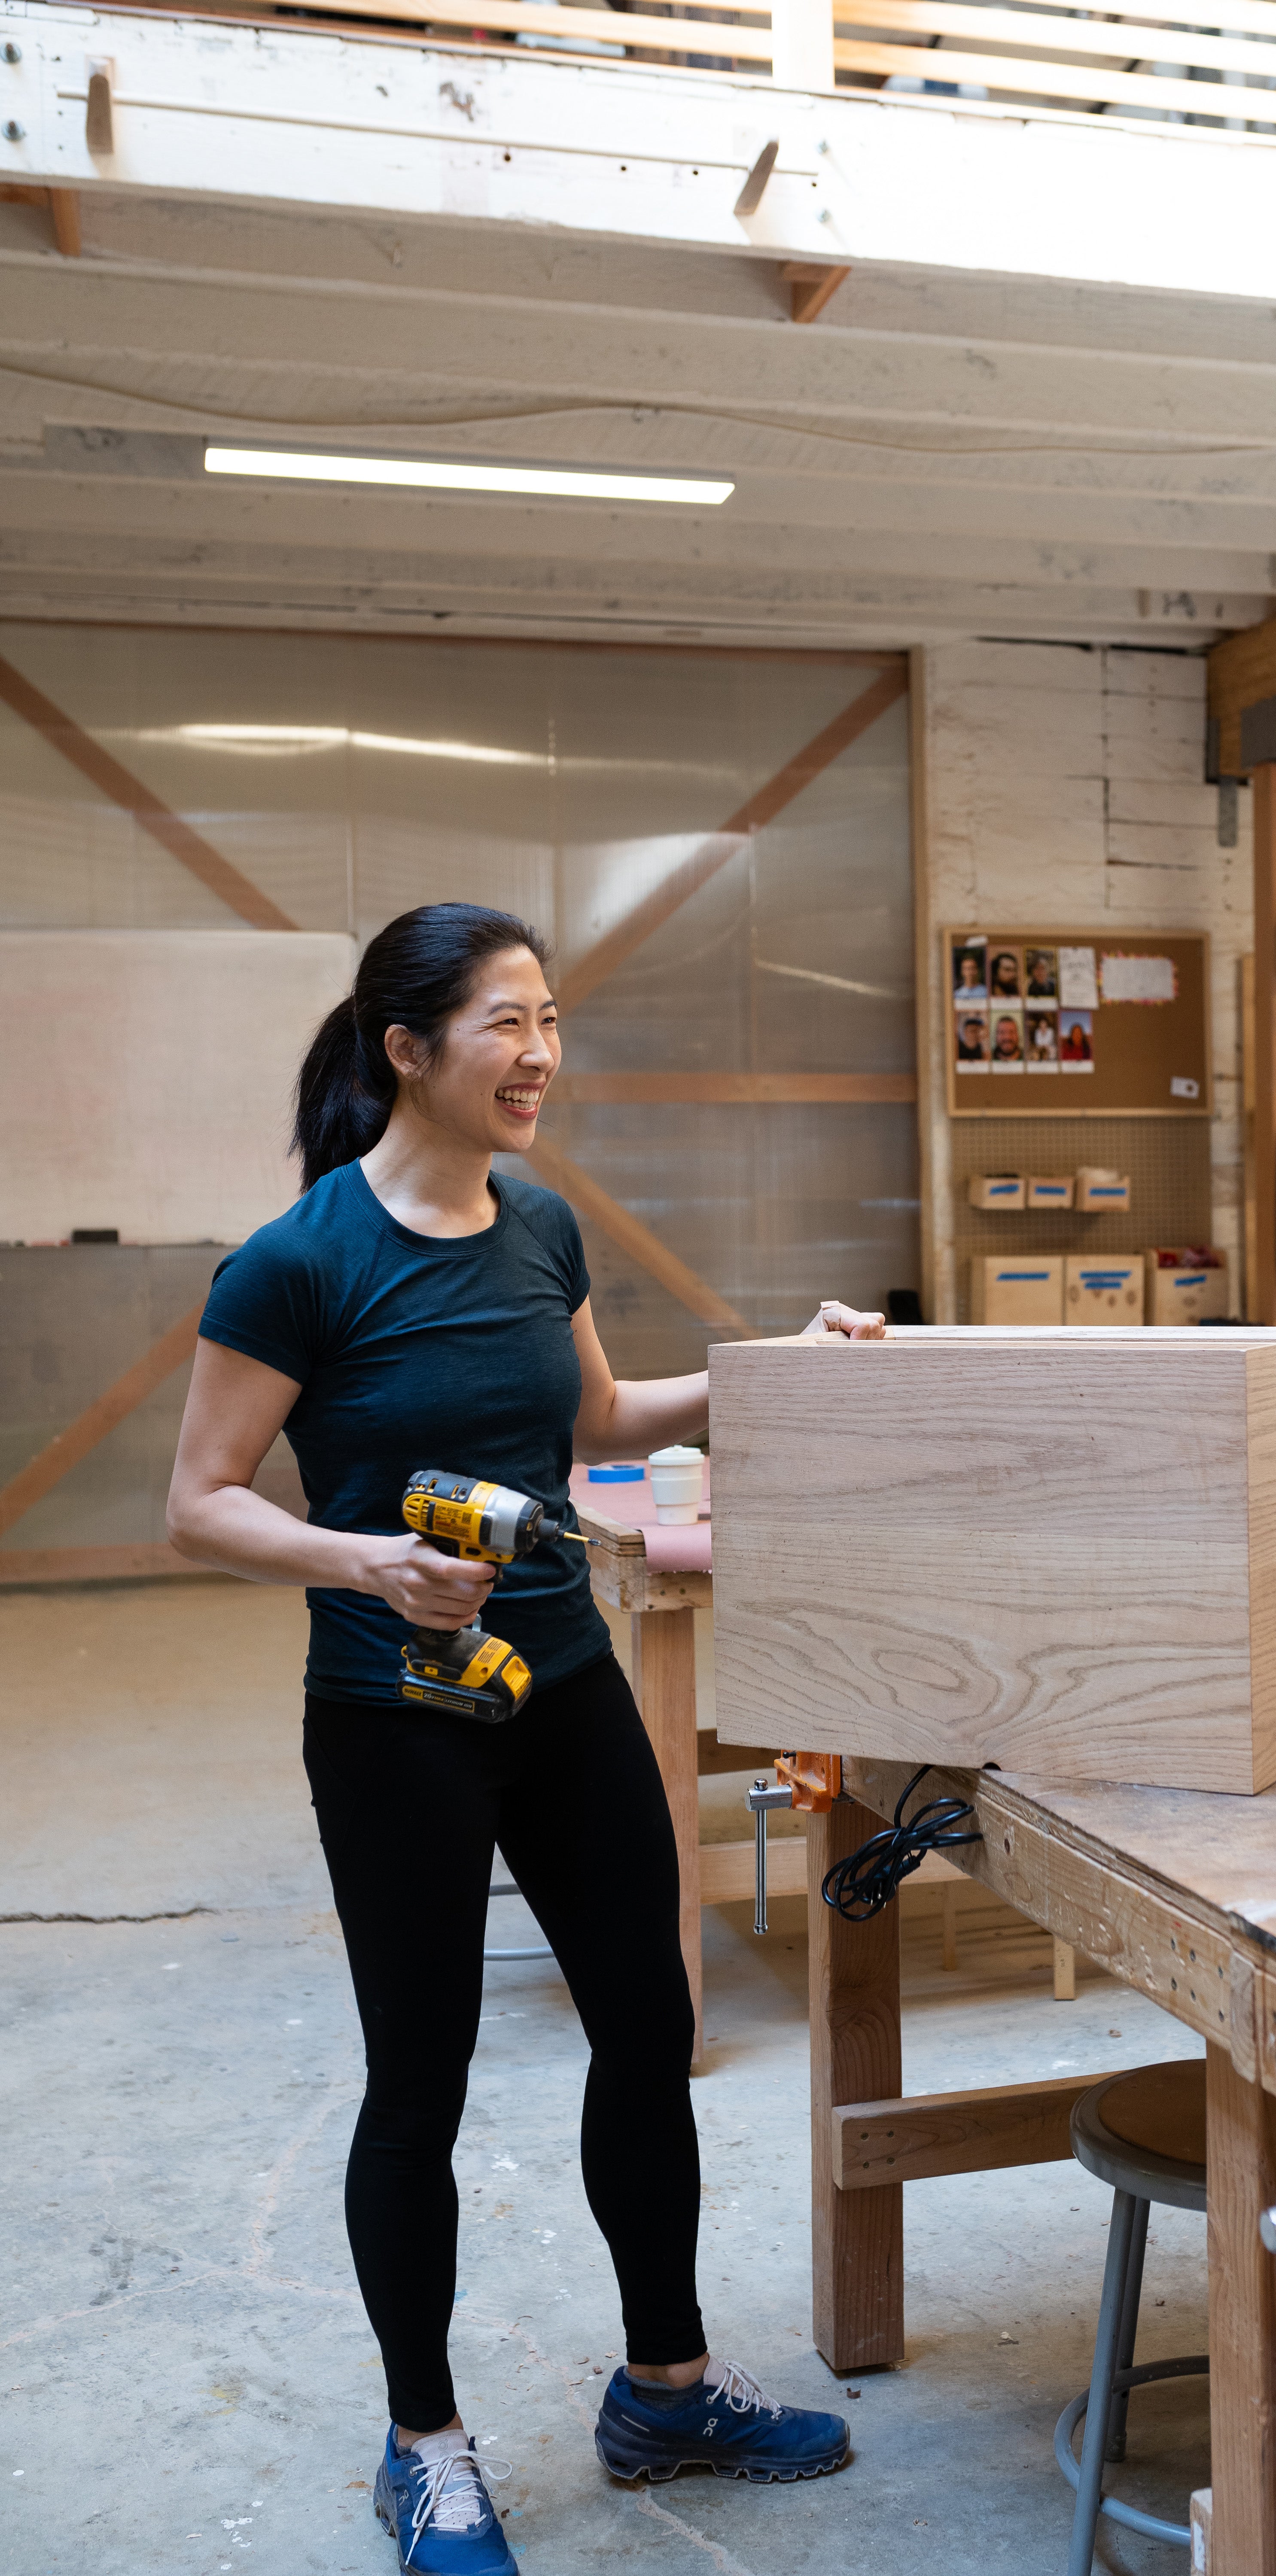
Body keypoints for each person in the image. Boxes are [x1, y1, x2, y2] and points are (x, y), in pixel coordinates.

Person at [167, 904, 882, 2576]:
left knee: (646, 2030)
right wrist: (367, 1562)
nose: (539, 1052)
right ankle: (424, 2447)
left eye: (549, 1018)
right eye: (504, 1022)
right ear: (404, 1050)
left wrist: (774, 1363)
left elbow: (598, 1423)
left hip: (561, 1684)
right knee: (416, 2087)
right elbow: (197, 1503)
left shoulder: (539, 1227)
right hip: (393, 1719)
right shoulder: (297, 1264)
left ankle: (667, 2389)